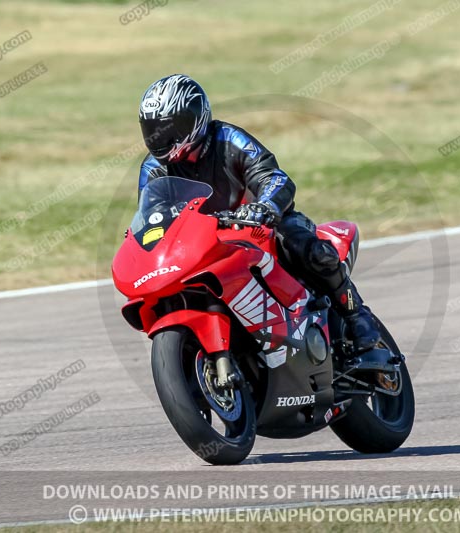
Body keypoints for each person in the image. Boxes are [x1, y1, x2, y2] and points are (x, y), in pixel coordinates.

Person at [136, 74, 385, 368]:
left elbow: (273, 177)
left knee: (306, 247)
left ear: (193, 119)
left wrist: (264, 206)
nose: (159, 139)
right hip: (206, 245)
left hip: (258, 227)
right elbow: (152, 216)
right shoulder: (154, 169)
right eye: (152, 129)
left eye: (169, 129)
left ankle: (359, 321)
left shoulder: (228, 139)